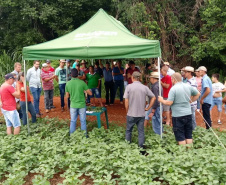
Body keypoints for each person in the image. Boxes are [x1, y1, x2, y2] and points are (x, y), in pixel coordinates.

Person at [158, 73, 200, 145]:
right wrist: (190, 101)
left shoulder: (173, 89)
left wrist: (161, 100)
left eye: (171, 79)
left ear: (173, 79)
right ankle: (189, 152)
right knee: (188, 134)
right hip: (188, 113)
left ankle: (183, 153)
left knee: (180, 136)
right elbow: (198, 94)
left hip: (178, 115)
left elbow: (169, 102)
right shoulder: (188, 86)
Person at [124, 71, 156, 148]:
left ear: (132, 78)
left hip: (131, 113)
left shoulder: (128, 87)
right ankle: (141, 148)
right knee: (141, 132)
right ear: (139, 78)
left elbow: (126, 100)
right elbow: (153, 97)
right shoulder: (145, 87)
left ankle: (127, 147)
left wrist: (127, 110)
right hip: (141, 114)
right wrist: (148, 108)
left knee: (128, 131)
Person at [66, 68, 92, 134]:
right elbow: (90, 93)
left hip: (73, 105)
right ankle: (84, 135)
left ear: (71, 75)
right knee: (83, 121)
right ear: (78, 74)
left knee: (73, 121)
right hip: (82, 105)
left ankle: (72, 135)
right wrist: (84, 90)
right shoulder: (82, 83)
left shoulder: (68, 83)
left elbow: (67, 96)